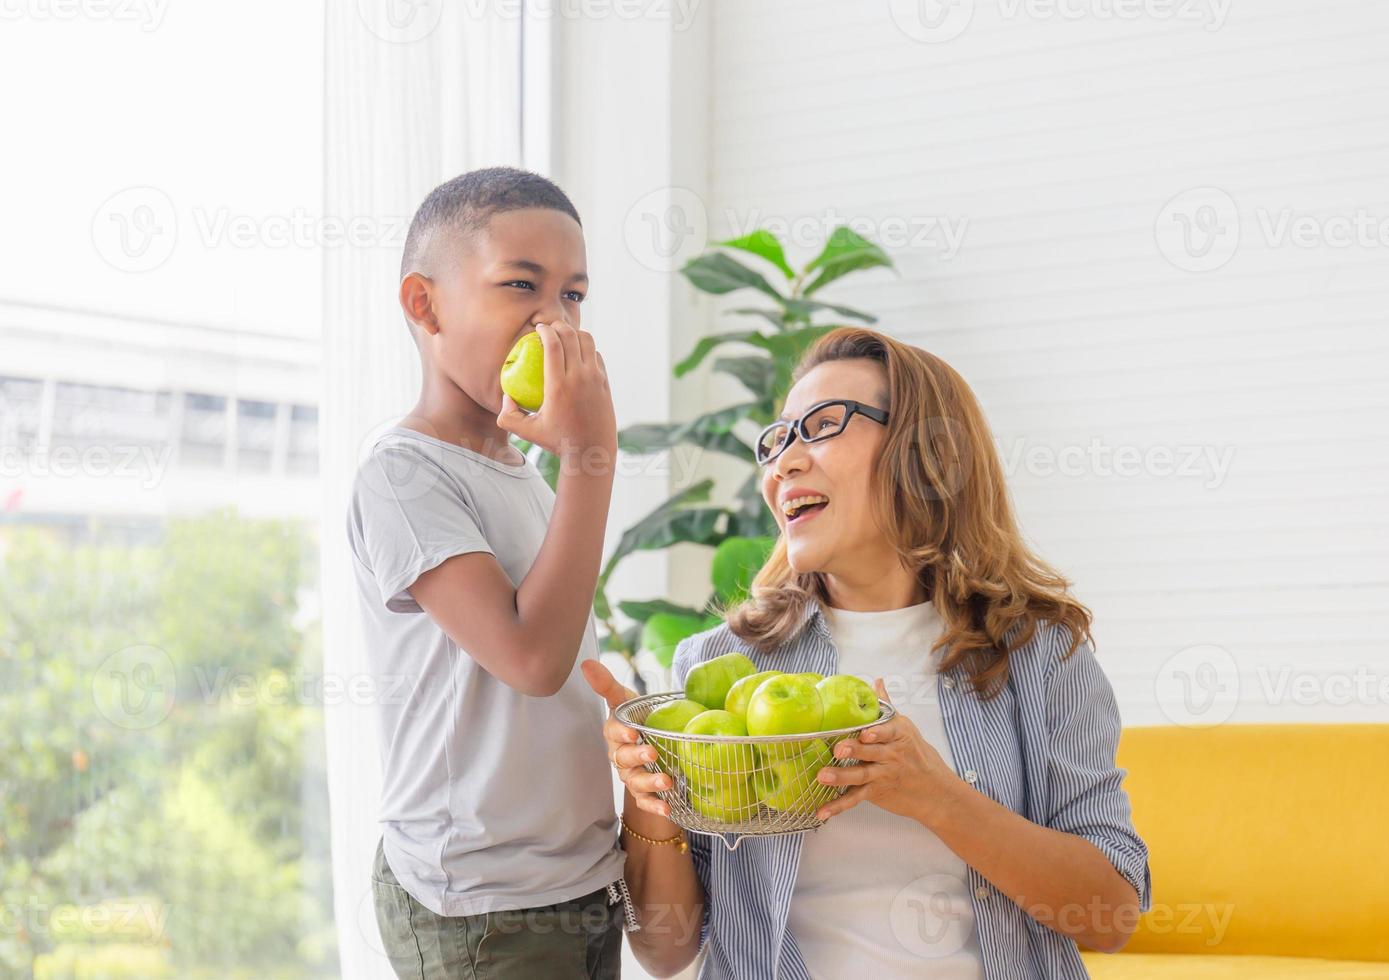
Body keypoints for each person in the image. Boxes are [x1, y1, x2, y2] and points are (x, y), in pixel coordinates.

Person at [584, 326, 1151, 979]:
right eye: (779, 440)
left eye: (824, 425)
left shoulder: (1040, 655)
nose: (785, 463)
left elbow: (1111, 912)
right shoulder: (720, 668)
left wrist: (933, 795)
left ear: (926, 452)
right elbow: (665, 950)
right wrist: (651, 795)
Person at [347, 167, 625, 978]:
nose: (554, 320)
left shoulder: (523, 472)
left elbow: (565, 650)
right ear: (424, 304)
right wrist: (589, 455)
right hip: (482, 904)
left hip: (574, 880)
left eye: (574, 295)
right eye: (520, 285)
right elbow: (532, 661)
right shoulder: (403, 475)